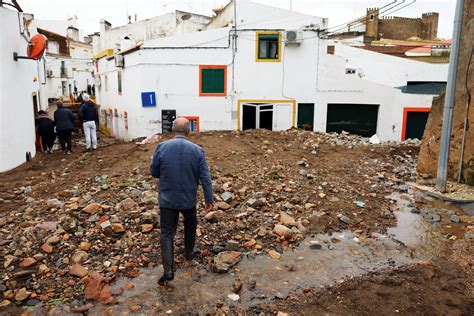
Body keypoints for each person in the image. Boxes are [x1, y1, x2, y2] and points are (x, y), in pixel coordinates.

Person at [150, 118, 214, 285]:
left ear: (172, 130)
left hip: (167, 199)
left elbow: (154, 172)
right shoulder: (198, 150)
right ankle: (189, 252)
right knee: (191, 223)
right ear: (188, 131)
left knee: (166, 234)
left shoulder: (162, 147)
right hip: (188, 199)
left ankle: (168, 271)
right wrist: (209, 200)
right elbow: (205, 178)